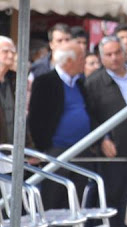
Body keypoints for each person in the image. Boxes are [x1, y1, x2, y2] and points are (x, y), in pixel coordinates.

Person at [28, 42, 92, 209]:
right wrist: (42, 148)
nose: (84, 61)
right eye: (81, 58)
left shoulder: (79, 83)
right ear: (69, 61)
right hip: (56, 150)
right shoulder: (45, 81)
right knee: (53, 198)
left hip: (81, 150)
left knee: (75, 200)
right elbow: (36, 117)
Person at [85, 36, 127, 227]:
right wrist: (102, 139)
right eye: (108, 54)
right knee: (114, 196)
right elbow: (91, 116)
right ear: (101, 58)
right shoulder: (94, 83)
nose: (114, 58)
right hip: (115, 150)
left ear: (124, 53)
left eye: (117, 52)